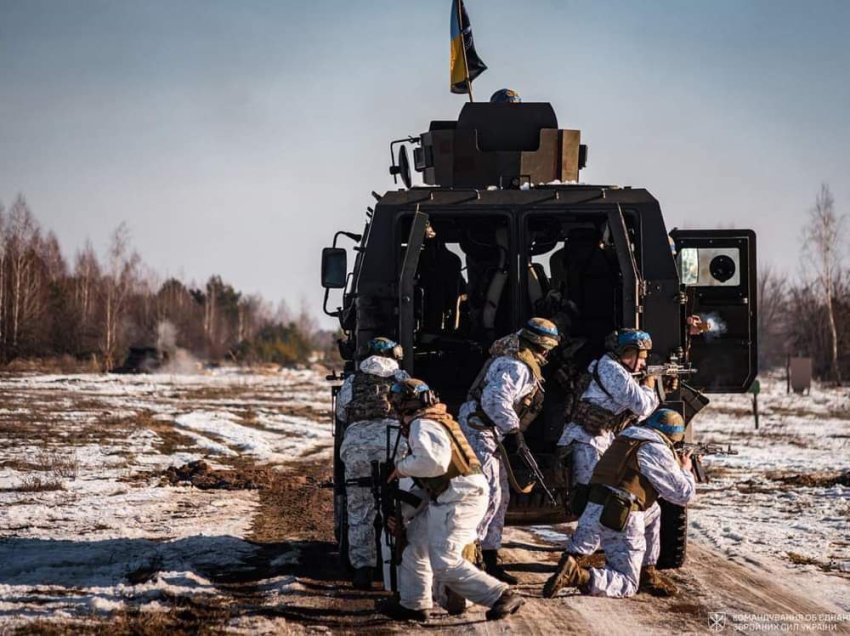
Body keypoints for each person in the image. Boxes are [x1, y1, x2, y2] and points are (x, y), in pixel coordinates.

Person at [378, 379, 524, 622]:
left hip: (459, 497)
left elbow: (434, 464)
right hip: (452, 495)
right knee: (415, 544)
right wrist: (403, 514)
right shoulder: (433, 422)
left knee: (445, 561)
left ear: (406, 404)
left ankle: (501, 595)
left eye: (396, 403)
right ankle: (414, 604)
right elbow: (431, 484)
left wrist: (401, 468)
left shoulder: (422, 424)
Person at [543, 409, 696, 599]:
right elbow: (683, 495)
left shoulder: (626, 437)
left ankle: (647, 572)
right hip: (621, 515)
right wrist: (685, 470)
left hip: (594, 508)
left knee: (654, 511)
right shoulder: (655, 449)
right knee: (627, 583)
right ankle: (580, 576)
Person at [459, 318, 560, 583]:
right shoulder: (517, 366)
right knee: (488, 495)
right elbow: (494, 400)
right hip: (480, 428)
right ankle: (470, 559)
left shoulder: (518, 361)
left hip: (489, 430)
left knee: (499, 496)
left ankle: (489, 556)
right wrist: (514, 433)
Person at [557, 329, 659, 520]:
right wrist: (649, 385)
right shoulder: (612, 370)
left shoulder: (612, 367)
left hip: (599, 438)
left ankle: (590, 539)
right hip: (588, 439)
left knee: (597, 494)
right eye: (642, 356)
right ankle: (581, 544)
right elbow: (642, 407)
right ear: (627, 352)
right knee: (592, 496)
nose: (644, 362)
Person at [336, 337, 409, 590]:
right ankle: (401, 565)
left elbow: (342, 413)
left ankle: (363, 570)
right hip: (393, 445)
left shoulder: (353, 380)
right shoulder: (401, 377)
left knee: (359, 509)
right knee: (400, 506)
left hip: (358, 447)